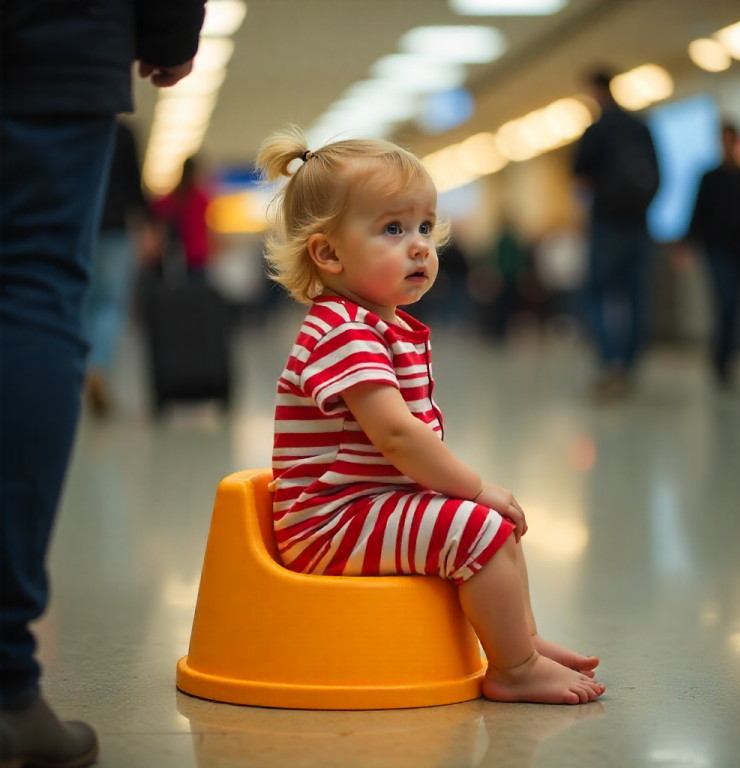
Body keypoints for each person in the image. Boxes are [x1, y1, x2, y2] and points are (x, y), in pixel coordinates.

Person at [260, 127, 606, 705]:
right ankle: (512, 668)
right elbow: (396, 435)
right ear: (328, 252)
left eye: (425, 227)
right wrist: (474, 487)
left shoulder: (378, 324)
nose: (420, 245)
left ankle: (521, 640)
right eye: (393, 229)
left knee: (496, 529)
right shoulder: (344, 330)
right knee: (480, 529)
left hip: (363, 505)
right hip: (328, 522)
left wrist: (471, 493)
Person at [0, 2, 206, 766]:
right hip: (56, 33)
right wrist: (170, 30)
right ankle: (5, 685)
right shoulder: (127, 143)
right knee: (39, 289)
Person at [574, 71, 660, 399]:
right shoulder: (641, 128)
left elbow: (580, 180)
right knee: (637, 296)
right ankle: (631, 364)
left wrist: (586, 219)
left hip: (607, 225)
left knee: (596, 294)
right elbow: (659, 176)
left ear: (596, 92)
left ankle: (612, 363)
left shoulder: (596, 131)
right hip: (639, 226)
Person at [681, 123, 740, 388]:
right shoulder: (709, 178)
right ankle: (722, 358)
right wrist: (686, 244)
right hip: (716, 250)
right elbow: (697, 213)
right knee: (725, 300)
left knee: (736, 304)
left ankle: (726, 358)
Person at [82, 121, 152, 416]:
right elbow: (135, 187)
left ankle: (80, 371)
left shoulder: (78, 126)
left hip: (80, 228)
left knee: (81, 304)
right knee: (110, 307)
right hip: (115, 230)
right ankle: (99, 368)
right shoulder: (123, 133)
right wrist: (149, 226)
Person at [150, 156, 214, 282]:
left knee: (178, 291)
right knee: (196, 291)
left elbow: (154, 208)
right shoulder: (200, 198)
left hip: (177, 254)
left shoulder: (175, 196)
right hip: (195, 254)